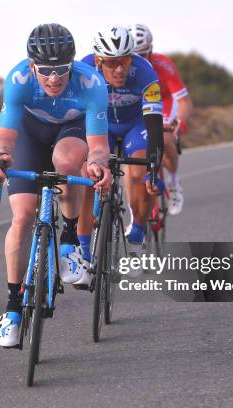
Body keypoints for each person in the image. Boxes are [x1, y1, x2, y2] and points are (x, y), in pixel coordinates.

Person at [0, 23, 111, 348]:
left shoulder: (92, 82)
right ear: (32, 66)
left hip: (71, 130)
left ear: (72, 64)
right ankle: (13, 308)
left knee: (68, 163)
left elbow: (98, 143)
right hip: (29, 135)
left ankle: (69, 244)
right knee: (23, 218)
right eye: (45, 70)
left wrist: (98, 162)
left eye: (61, 70)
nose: (53, 78)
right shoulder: (18, 81)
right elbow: (6, 136)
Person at [79, 26, 164, 271]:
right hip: (100, 126)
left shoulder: (146, 72)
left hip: (134, 125)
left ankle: (137, 232)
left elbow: (155, 122)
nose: (119, 69)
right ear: (98, 60)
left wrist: (153, 167)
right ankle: (84, 252)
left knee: (139, 175)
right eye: (112, 63)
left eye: (124, 61)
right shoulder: (84, 69)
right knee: (86, 178)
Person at [128, 23, 194, 215]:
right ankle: (135, 214)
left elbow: (183, 101)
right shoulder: (120, 68)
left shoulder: (163, 64)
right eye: (133, 56)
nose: (138, 61)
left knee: (164, 138)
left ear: (151, 50)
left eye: (142, 55)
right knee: (131, 157)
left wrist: (179, 120)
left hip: (164, 102)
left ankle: (173, 181)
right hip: (138, 106)